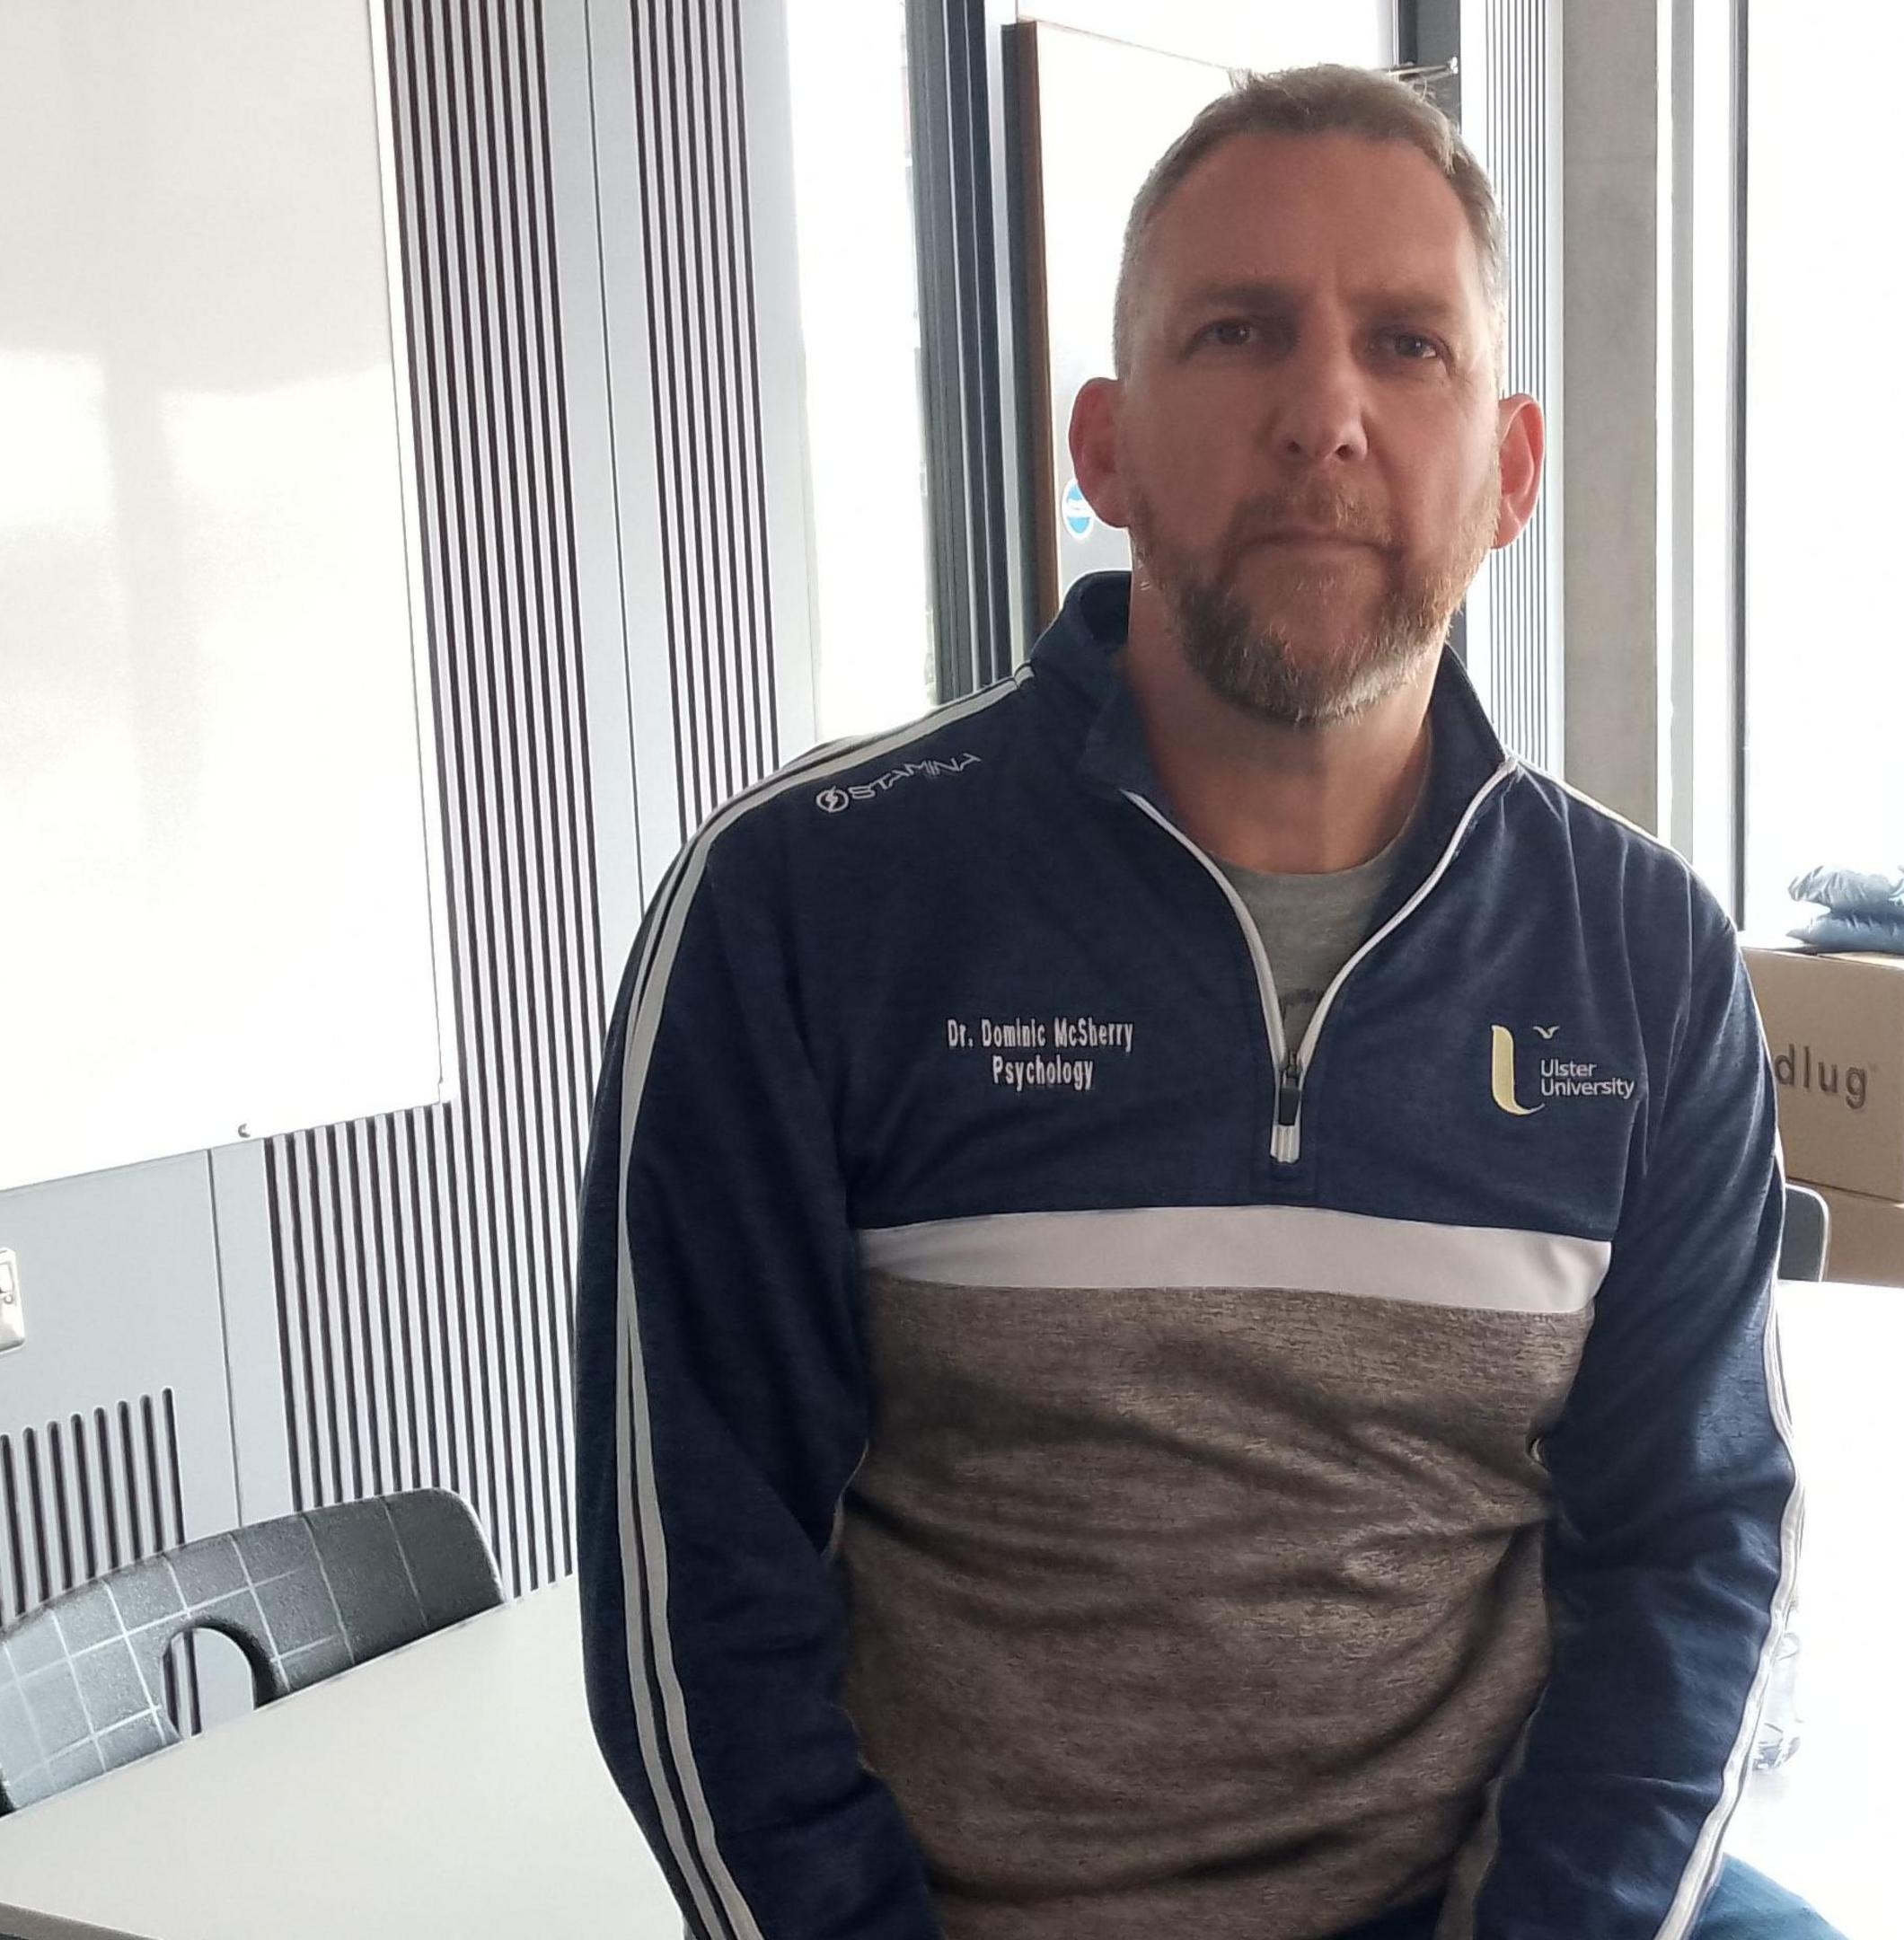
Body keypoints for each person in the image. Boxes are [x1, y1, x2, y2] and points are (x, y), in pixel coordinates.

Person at [573, 62, 1833, 1940]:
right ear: (1106, 448)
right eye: (1239, 333)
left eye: (1408, 346)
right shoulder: (803, 913)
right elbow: (703, 1591)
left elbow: (1695, 1551)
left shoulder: (1637, 955)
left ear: (1509, 469)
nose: (1322, 415)